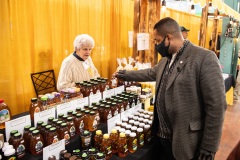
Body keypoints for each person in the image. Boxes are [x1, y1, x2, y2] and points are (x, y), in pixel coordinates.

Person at [116, 17, 226, 159]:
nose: (155, 45)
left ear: (168, 38)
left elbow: (216, 106)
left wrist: (209, 146)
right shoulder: (166, 59)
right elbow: (150, 73)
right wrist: (125, 75)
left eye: (157, 41)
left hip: (186, 141)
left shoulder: (204, 58)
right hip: (163, 137)